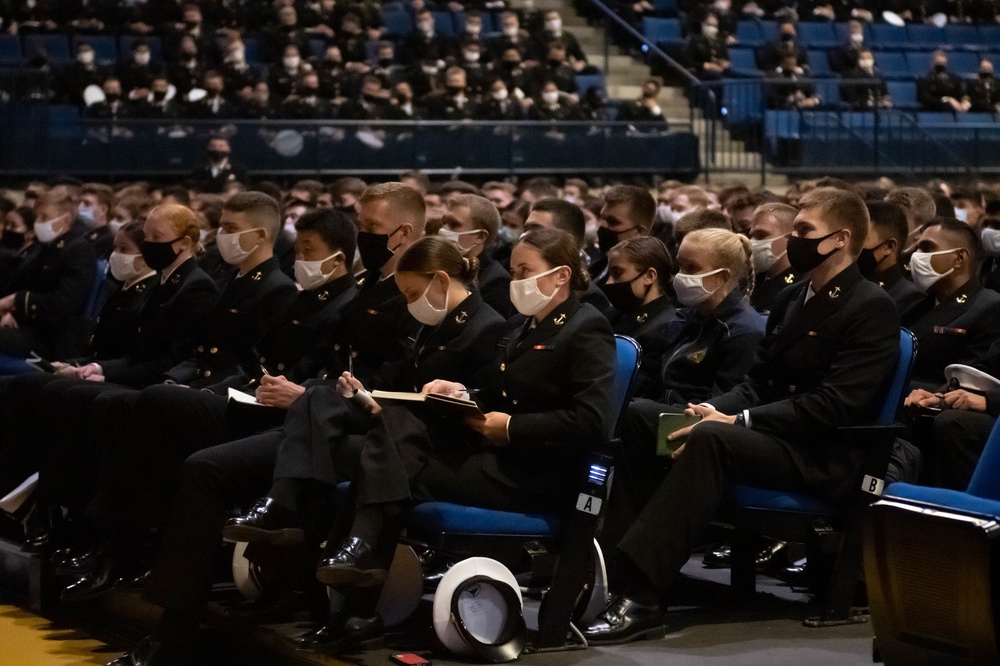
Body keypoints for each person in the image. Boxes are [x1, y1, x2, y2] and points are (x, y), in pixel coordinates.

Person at [583, 188, 899, 644]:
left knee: (713, 440)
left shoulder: (870, 305)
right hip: (777, 438)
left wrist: (739, 422)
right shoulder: (795, 299)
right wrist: (715, 409)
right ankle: (612, 573)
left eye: (805, 231)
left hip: (825, 453)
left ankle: (645, 597)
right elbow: (756, 381)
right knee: (642, 417)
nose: (795, 241)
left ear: (840, 239)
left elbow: (836, 405)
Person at [311, 228, 615, 649]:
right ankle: (355, 588)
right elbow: (495, 390)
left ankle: (354, 595)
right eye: (513, 271)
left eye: (526, 271)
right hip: (496, 458)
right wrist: (461, 394)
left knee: (389, 465)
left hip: (538, 471)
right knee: (396, 436)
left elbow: (592, 420)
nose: (516, 280)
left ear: (561, 275)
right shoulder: (520, 325)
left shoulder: (586, 327)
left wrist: (509, 427)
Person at [0, 205, 218, 548]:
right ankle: (22, 497)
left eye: (156, 238)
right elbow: (135, 352)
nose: (149, 244)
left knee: (75, 397)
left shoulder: (195, 286)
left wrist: (104, 374)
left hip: (164, 383)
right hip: (135, 373)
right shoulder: (165, 281)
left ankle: (70, 515)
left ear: (184, 243)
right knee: (26, 387)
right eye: (145, 237)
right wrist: (99, 369)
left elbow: (172, 358)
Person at [900, 217, 1000, 390]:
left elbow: (969, 381)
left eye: (927, 248)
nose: (916, 256)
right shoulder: (914, 305)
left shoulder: (989, 307)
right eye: (916, 248)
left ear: (959, 258)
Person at [0, 188, 97, 362]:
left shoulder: (78, 249)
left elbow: (65, 303)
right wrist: (13, 311)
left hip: (52, 336)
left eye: (44, 218)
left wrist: (16, 301)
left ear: (65, 219)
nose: (38, 222)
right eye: (37, 217)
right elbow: (25, 283)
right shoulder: (46, 246)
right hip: (29, 325)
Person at [602, 236, 678, 398]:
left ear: (649, 276)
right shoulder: (611, 315)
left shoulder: (669, 325)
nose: (609, 282)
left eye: (617, 273)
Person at [437, 194, 514, 318]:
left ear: (480, 236)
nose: (443, 230)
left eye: (454, 225)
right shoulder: (435, 266)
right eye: (444, 223)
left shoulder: (497, 282)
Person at [859, 201, 923, 316]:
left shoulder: (909, 297)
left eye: (861, 239)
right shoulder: (852, 284)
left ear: (889, 247)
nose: (854, 246)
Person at [593, 185, 657, 282]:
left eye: (613, 222)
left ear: (639, 232)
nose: (603, 226)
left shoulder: (641, 279)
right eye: (602, 218)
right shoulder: (598, 264)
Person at [748, 202, 799, 313]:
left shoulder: (800, 286)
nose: (753, 243)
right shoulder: (750, 280)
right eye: (751, 236)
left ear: (790, 239)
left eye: (761, 236)